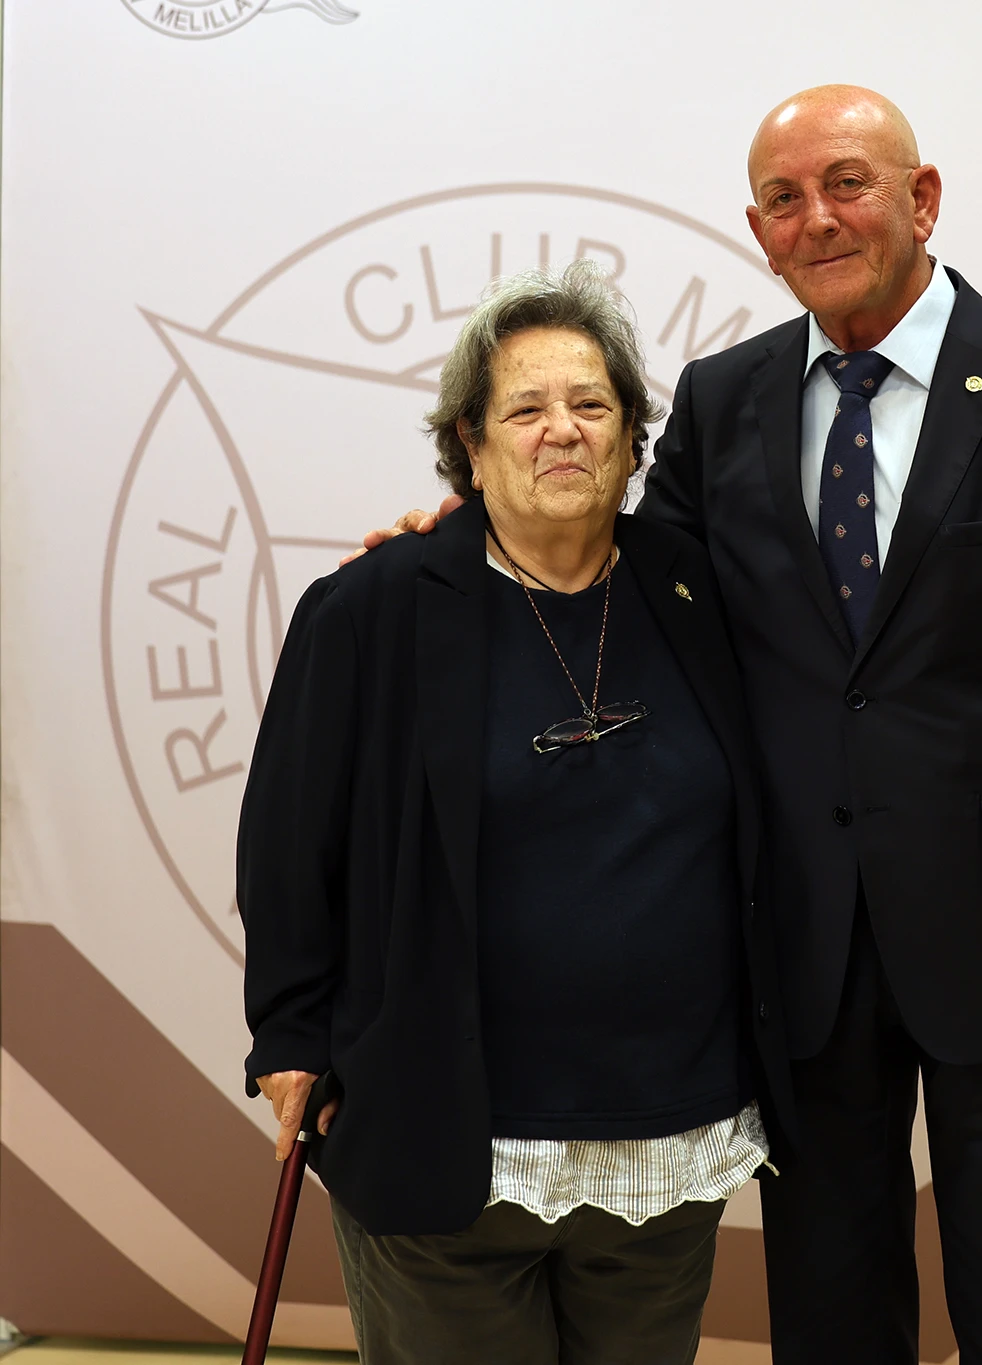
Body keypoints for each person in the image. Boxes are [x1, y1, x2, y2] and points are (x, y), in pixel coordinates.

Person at [361, 85, 982, 1365]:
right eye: (782, 198)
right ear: (757, 231)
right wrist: (464, 534)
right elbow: (623, 570)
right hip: (802, 951)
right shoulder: (724, 400)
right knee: (827, 1314)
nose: (817, 217)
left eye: (847, 183)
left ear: (922, 199)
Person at [238, 261, 793, 1365]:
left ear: (631, 438)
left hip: (665, 1133)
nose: (563, 431)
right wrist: (289, 1032)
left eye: (591, 404)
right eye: (525, 409)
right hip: (445, 1133)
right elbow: (290, 841)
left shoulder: (703, 592)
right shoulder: (372, 610)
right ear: (471, 443)